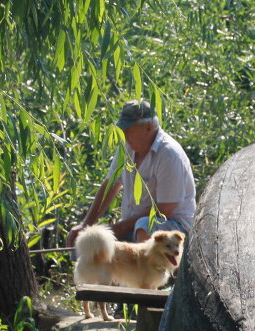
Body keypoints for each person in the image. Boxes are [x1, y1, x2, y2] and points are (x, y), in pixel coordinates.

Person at [71, 99, 196, 244]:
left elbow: (164, 211)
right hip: (132, 227)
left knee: (143, 226)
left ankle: (142, 266)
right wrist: (86, 226)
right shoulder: (127, 147)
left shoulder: (169, 154)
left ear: (149, 128)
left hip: (173, 228)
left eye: (128, 130)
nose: (124, 135)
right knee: (86, 242)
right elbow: (110, 185)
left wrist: (117, 229)